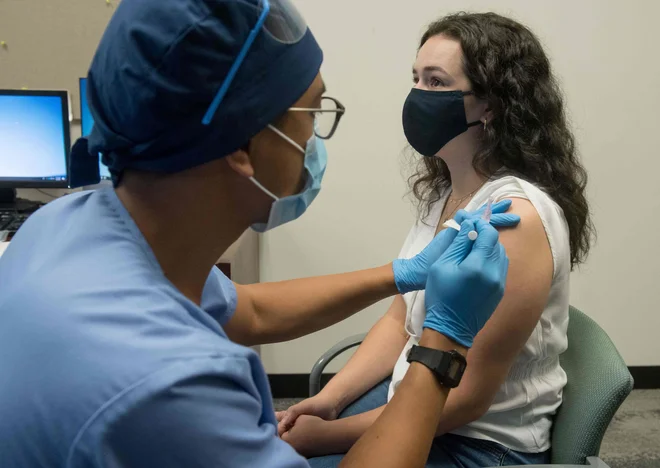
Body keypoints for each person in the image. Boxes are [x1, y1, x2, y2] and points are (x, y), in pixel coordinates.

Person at [0, 1, 520, 467]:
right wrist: (444, 340)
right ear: (242, 146)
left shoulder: (66, 224)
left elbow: (247, 311)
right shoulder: (170, 386)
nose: (316, 136)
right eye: (311, 112)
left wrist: (402, 275)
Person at [278, 11, 595, 468]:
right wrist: (329, 400)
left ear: (491, 105)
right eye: (416, 79)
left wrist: (324, 437)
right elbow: (400, 317)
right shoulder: (448, 191)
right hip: (415, 401)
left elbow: (466, 400)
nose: (418, 96)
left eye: (436, 82)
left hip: (480, 444)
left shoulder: (514, 218)